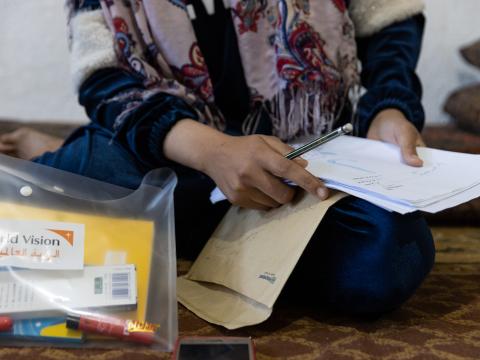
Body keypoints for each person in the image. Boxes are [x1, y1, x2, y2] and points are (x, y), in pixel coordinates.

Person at [0, 0, 434, 315]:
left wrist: (388, 108)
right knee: (19, 216)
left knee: (388, 256)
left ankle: (150, 216)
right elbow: (107, 81)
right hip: (175, 151)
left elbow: (389, 23)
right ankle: (92, 167)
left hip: (302, 161)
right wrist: (215, 152)